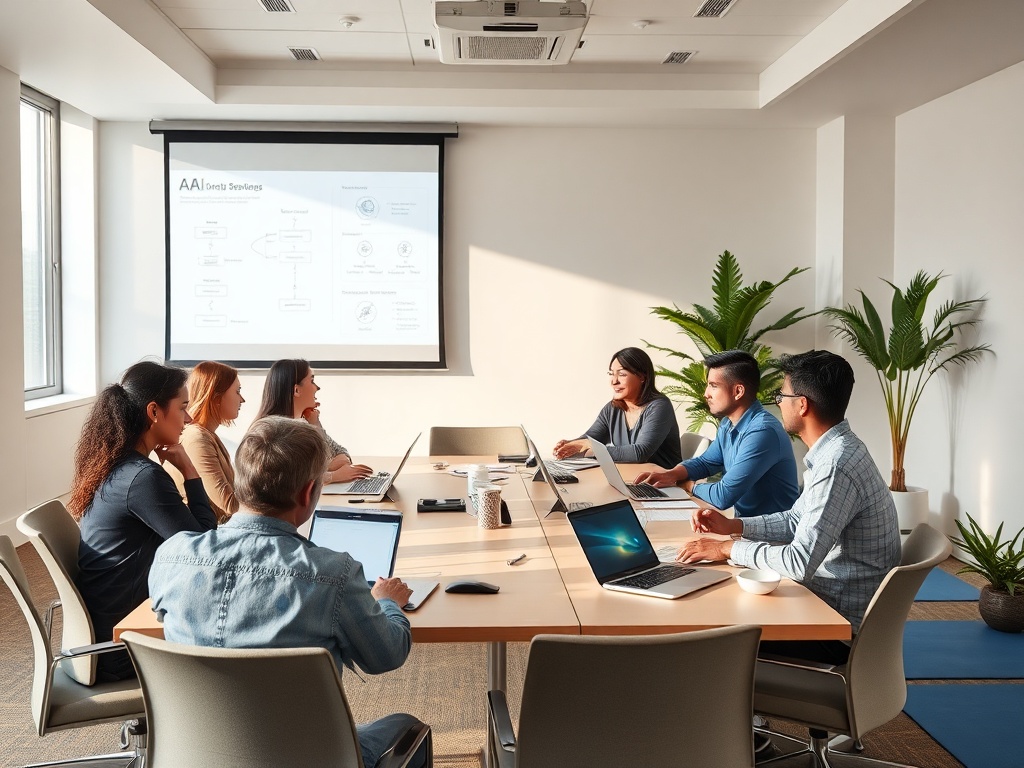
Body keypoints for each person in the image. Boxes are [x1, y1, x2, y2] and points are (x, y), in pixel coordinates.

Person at [149, 416, 427, 768]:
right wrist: (387, 603)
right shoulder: (333, 574)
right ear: (308, 492)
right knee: (406, 727)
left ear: (241, 481)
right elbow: (385, 655)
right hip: (307, 756)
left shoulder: (172, 556)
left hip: (193, 754)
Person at [677, 350, 900, 664]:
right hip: (822, 602)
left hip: (833, 628)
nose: (778, 403)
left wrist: (728, 549)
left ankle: (733, 714)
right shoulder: (837, 450)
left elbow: (799, 561)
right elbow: (797, 520)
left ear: (803, 404)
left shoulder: (836, 464)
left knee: (709, 632)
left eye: (782, 395)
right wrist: (735, 528)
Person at [70, 360, 216, 681]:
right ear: (154, 412)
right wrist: (190, 472)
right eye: (183, 408)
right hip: (123, 649)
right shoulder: (142, 479)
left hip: (109, 634)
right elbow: (204, 553)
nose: (189, 418)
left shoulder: (116, 466)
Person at [635, 350, 800, 518]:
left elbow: (723, 496)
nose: (706, 393)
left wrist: (688, 485)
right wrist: (672, 474)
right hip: (744, 526)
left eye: (713, 385)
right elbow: (706, 462)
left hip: (770, 537)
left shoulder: (762, 432)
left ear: (738, 391)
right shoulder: (728, 423)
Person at [552, 347, 682, 469]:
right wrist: (571, 445)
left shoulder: (660, 406)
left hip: (663, 485)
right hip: (630, 480)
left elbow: (640, 453)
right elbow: (590, 438)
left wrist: (590, 446)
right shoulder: (613, 409)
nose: (614, 381)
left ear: (642, 377)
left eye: (622, 374)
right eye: (611, 374)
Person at [255, 358, 372, 484]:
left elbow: (340, 452)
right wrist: (334, 475)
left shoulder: (303, 424)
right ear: (296, 390)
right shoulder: (272, 434)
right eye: (312, 381)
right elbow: (289, 481)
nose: (317, 388)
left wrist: (315, 425)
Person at [165, 361, 244, 523]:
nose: (242, 399)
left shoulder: (207, 435)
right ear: (216, 397)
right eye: (237, 391)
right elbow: (229, 505)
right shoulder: (197, 438)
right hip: (201, 537)